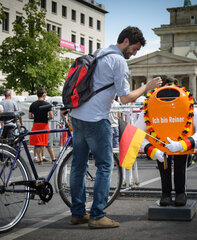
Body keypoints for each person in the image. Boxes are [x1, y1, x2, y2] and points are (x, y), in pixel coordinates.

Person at [64, 26, 162, 229]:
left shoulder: (100, 52)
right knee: (105, 166)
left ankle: (78, 213)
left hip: (77, 116)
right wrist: (146, 87)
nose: (134, 53)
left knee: (78, 165)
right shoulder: (118, 61)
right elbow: (125, 98)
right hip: (96, 119)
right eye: (134, 48)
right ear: (125, 41)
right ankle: (97, 215)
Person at [134, 78, 197, 206]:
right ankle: (166, 193)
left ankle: (180, 192)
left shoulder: (190, 109)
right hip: (160, 147)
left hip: (181, 147)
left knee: (180, 169)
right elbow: (136, 133)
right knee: (164, 170)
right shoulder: (149, 110)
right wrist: (152, 150)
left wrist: (182, 145)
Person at [28, 88, 54, 165]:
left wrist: (36, 117)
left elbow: (29, 116)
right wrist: (47, 118)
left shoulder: (33, 104)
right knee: (48, 142)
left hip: (36, 125)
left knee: (38, 143)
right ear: (43, 95)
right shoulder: (47, 104)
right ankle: (53, 159)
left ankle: (40, 160)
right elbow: (51, 116)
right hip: (44, 125)